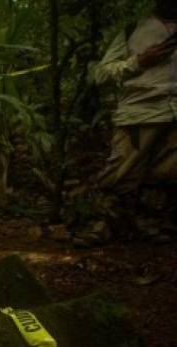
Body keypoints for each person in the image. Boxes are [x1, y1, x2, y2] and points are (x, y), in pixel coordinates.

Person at [90, 0, 177, 239]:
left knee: (165, 174)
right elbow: (101, 73)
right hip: (140, 112)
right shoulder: (133, 28)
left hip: (173, 115)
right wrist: (139, 62)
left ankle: (149, 226)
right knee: (120, 173)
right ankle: (97, 227)